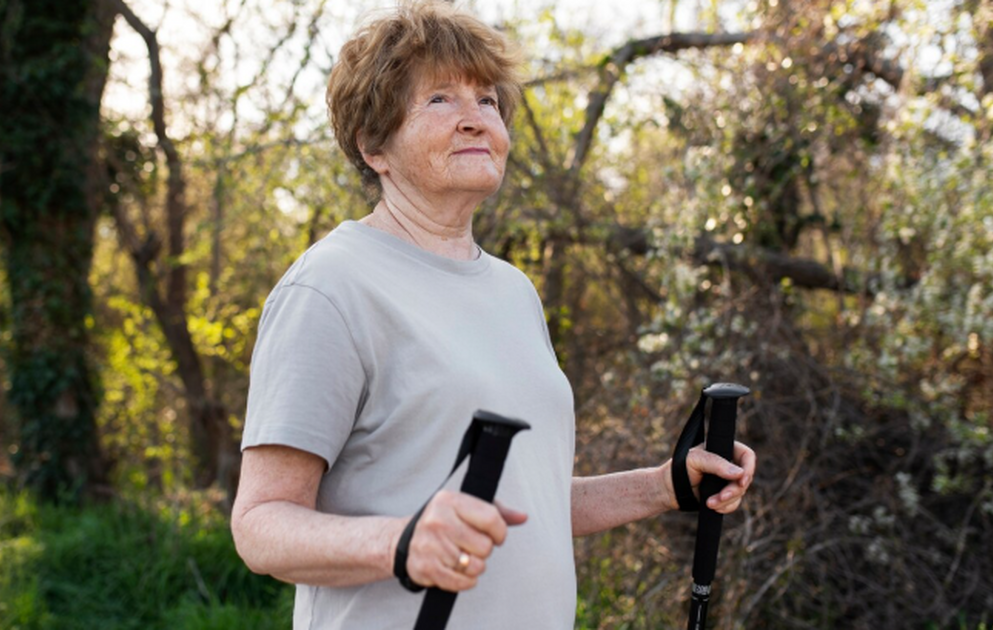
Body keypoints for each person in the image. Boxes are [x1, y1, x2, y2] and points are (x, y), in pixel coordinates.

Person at [229, 2, 756, 628]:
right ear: (374, 145)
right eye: (440, 101)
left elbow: (516, 501)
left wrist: (666, 485)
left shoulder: (512, 290)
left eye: (488, 102)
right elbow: (260, 525)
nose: (476, 120)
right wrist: (401, 544)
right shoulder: (331, 287)